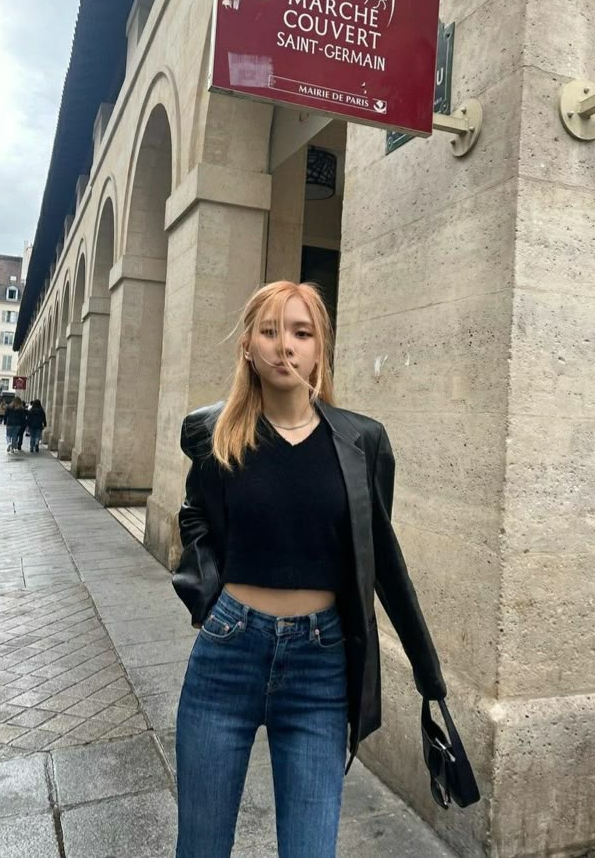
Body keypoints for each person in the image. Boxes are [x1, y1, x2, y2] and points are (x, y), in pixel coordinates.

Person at [172, 281, 449, 858]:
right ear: (247, 345)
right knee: (201, 846)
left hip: (320, 669)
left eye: (301, 333)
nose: (285, 347)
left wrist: (429, 675)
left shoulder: (362, 441)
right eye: (269, 332)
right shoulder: (216, 432)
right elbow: (195, 514)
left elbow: (379, 559)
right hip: (227, 654)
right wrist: (209, 600)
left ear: (320, 348)